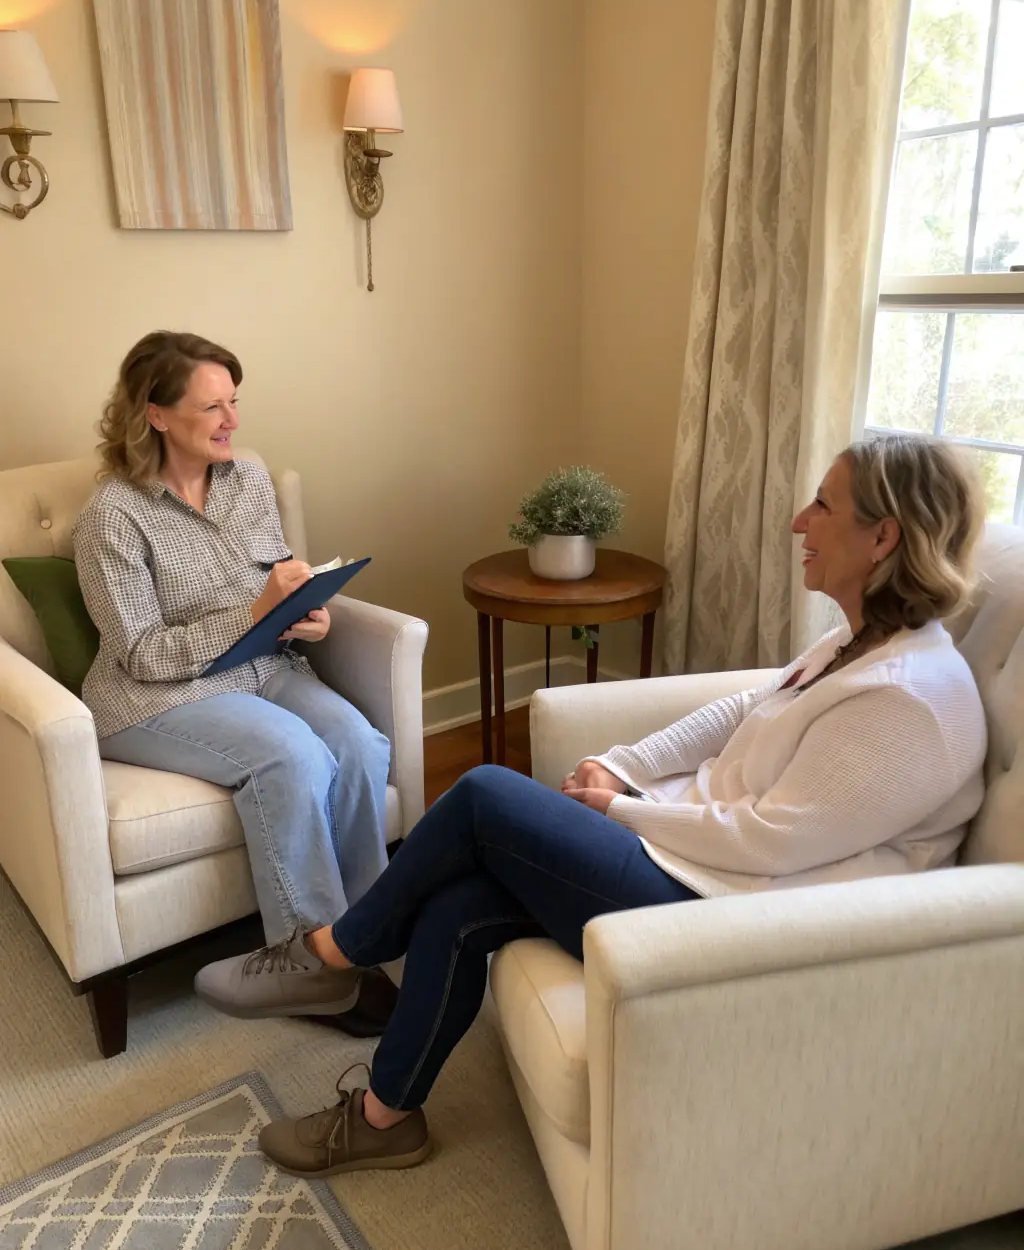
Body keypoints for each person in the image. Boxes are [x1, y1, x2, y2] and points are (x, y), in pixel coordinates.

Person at [251, 432, 988, 1177]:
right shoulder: (860, 644)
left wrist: (618, 810)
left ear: (883, 536)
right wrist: (622, 765)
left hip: (736, 917)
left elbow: (771, 841)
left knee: (482, 794)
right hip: (702, 872)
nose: (800, 520)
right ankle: (385, 1117)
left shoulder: (909, 701)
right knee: (458, 906)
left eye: (823, 504)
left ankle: (336, 951)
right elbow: (742, 708)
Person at [74, 330, 394, 1029]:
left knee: (362, 743)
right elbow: (141, 653)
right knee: (292, 753)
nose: (232, 421)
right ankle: (310, 967)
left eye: (234, 402)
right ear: (155, 414)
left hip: (261, 661)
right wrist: (256, 609)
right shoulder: (111, 517)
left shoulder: (248, 479)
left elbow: (275, 575)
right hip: (154, 695)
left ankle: (364, 937)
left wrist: (304, 615)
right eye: (212, 406)